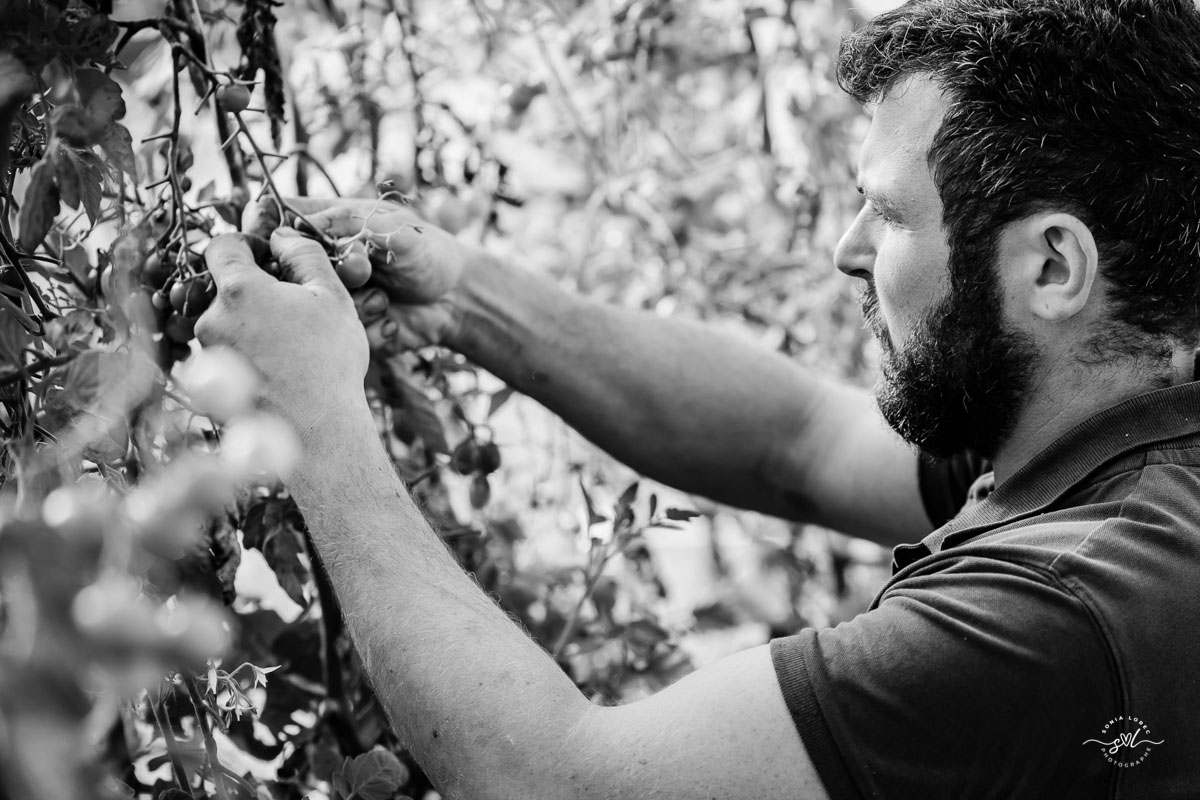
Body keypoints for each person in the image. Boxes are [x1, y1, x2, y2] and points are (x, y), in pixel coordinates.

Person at [197, 0, 1200, 797]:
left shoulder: (1061, 616)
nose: (846, 249)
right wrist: (461, 294)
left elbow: (555, 779)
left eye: (889, 214)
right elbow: (799, 440)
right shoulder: (1111, 421)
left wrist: (312, 419)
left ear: (1054, 266)